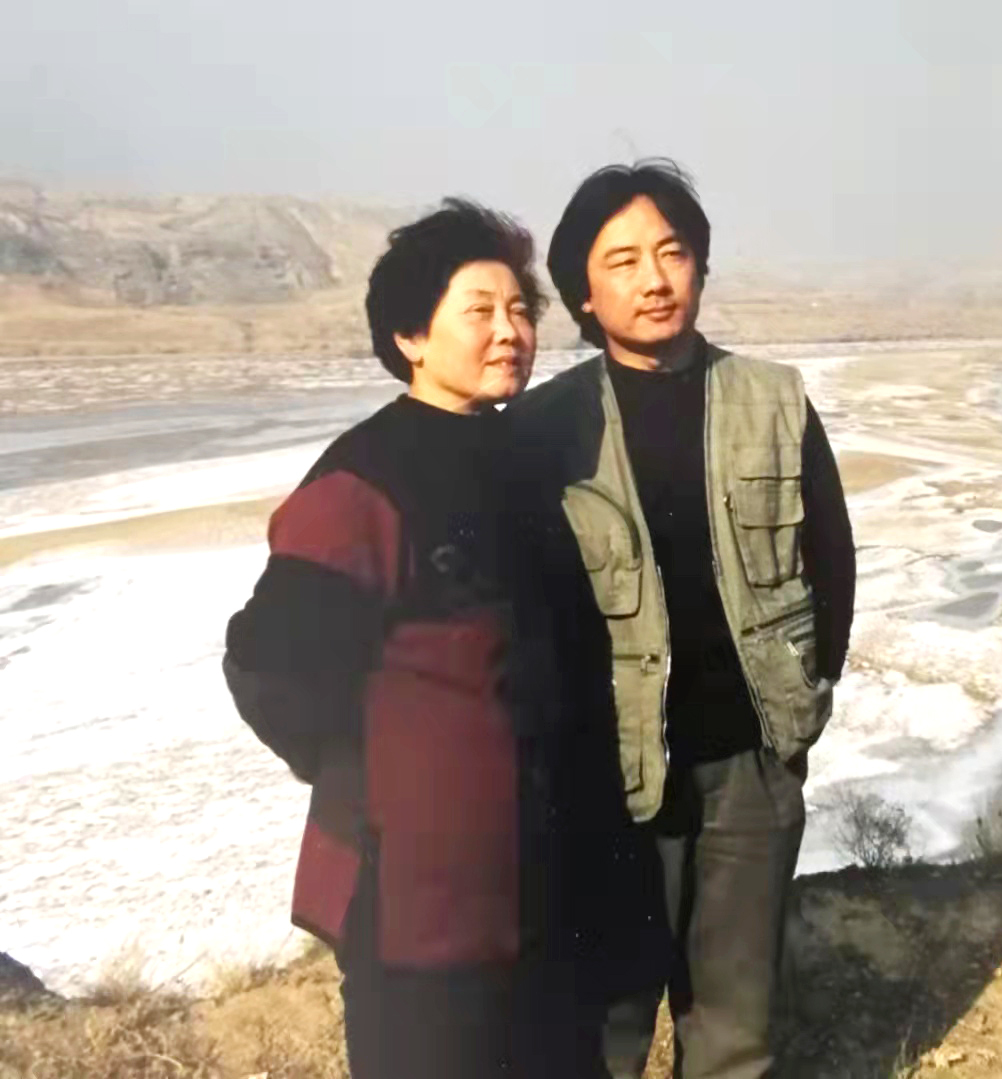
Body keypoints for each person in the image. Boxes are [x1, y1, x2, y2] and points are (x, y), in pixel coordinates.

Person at [221, 199, 606, 1077]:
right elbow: (267, 664)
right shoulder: (365, 480)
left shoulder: (524, 457)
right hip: (416, 902)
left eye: (520, 310)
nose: (509, 331)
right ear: (410, 336)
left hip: (538, 881)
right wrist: (384, 769)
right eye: (479, 310)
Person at [509, 161, 857, 1079]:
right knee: (606, 1017)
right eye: (622, 261)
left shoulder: (773, 398)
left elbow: (831, 556)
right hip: (607, 774)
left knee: (737, 1018)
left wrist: (803, 706)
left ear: (700, 266)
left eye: (671, 253)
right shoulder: (542, 428)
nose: (654, 279)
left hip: (750, 762)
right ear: (583, 294)